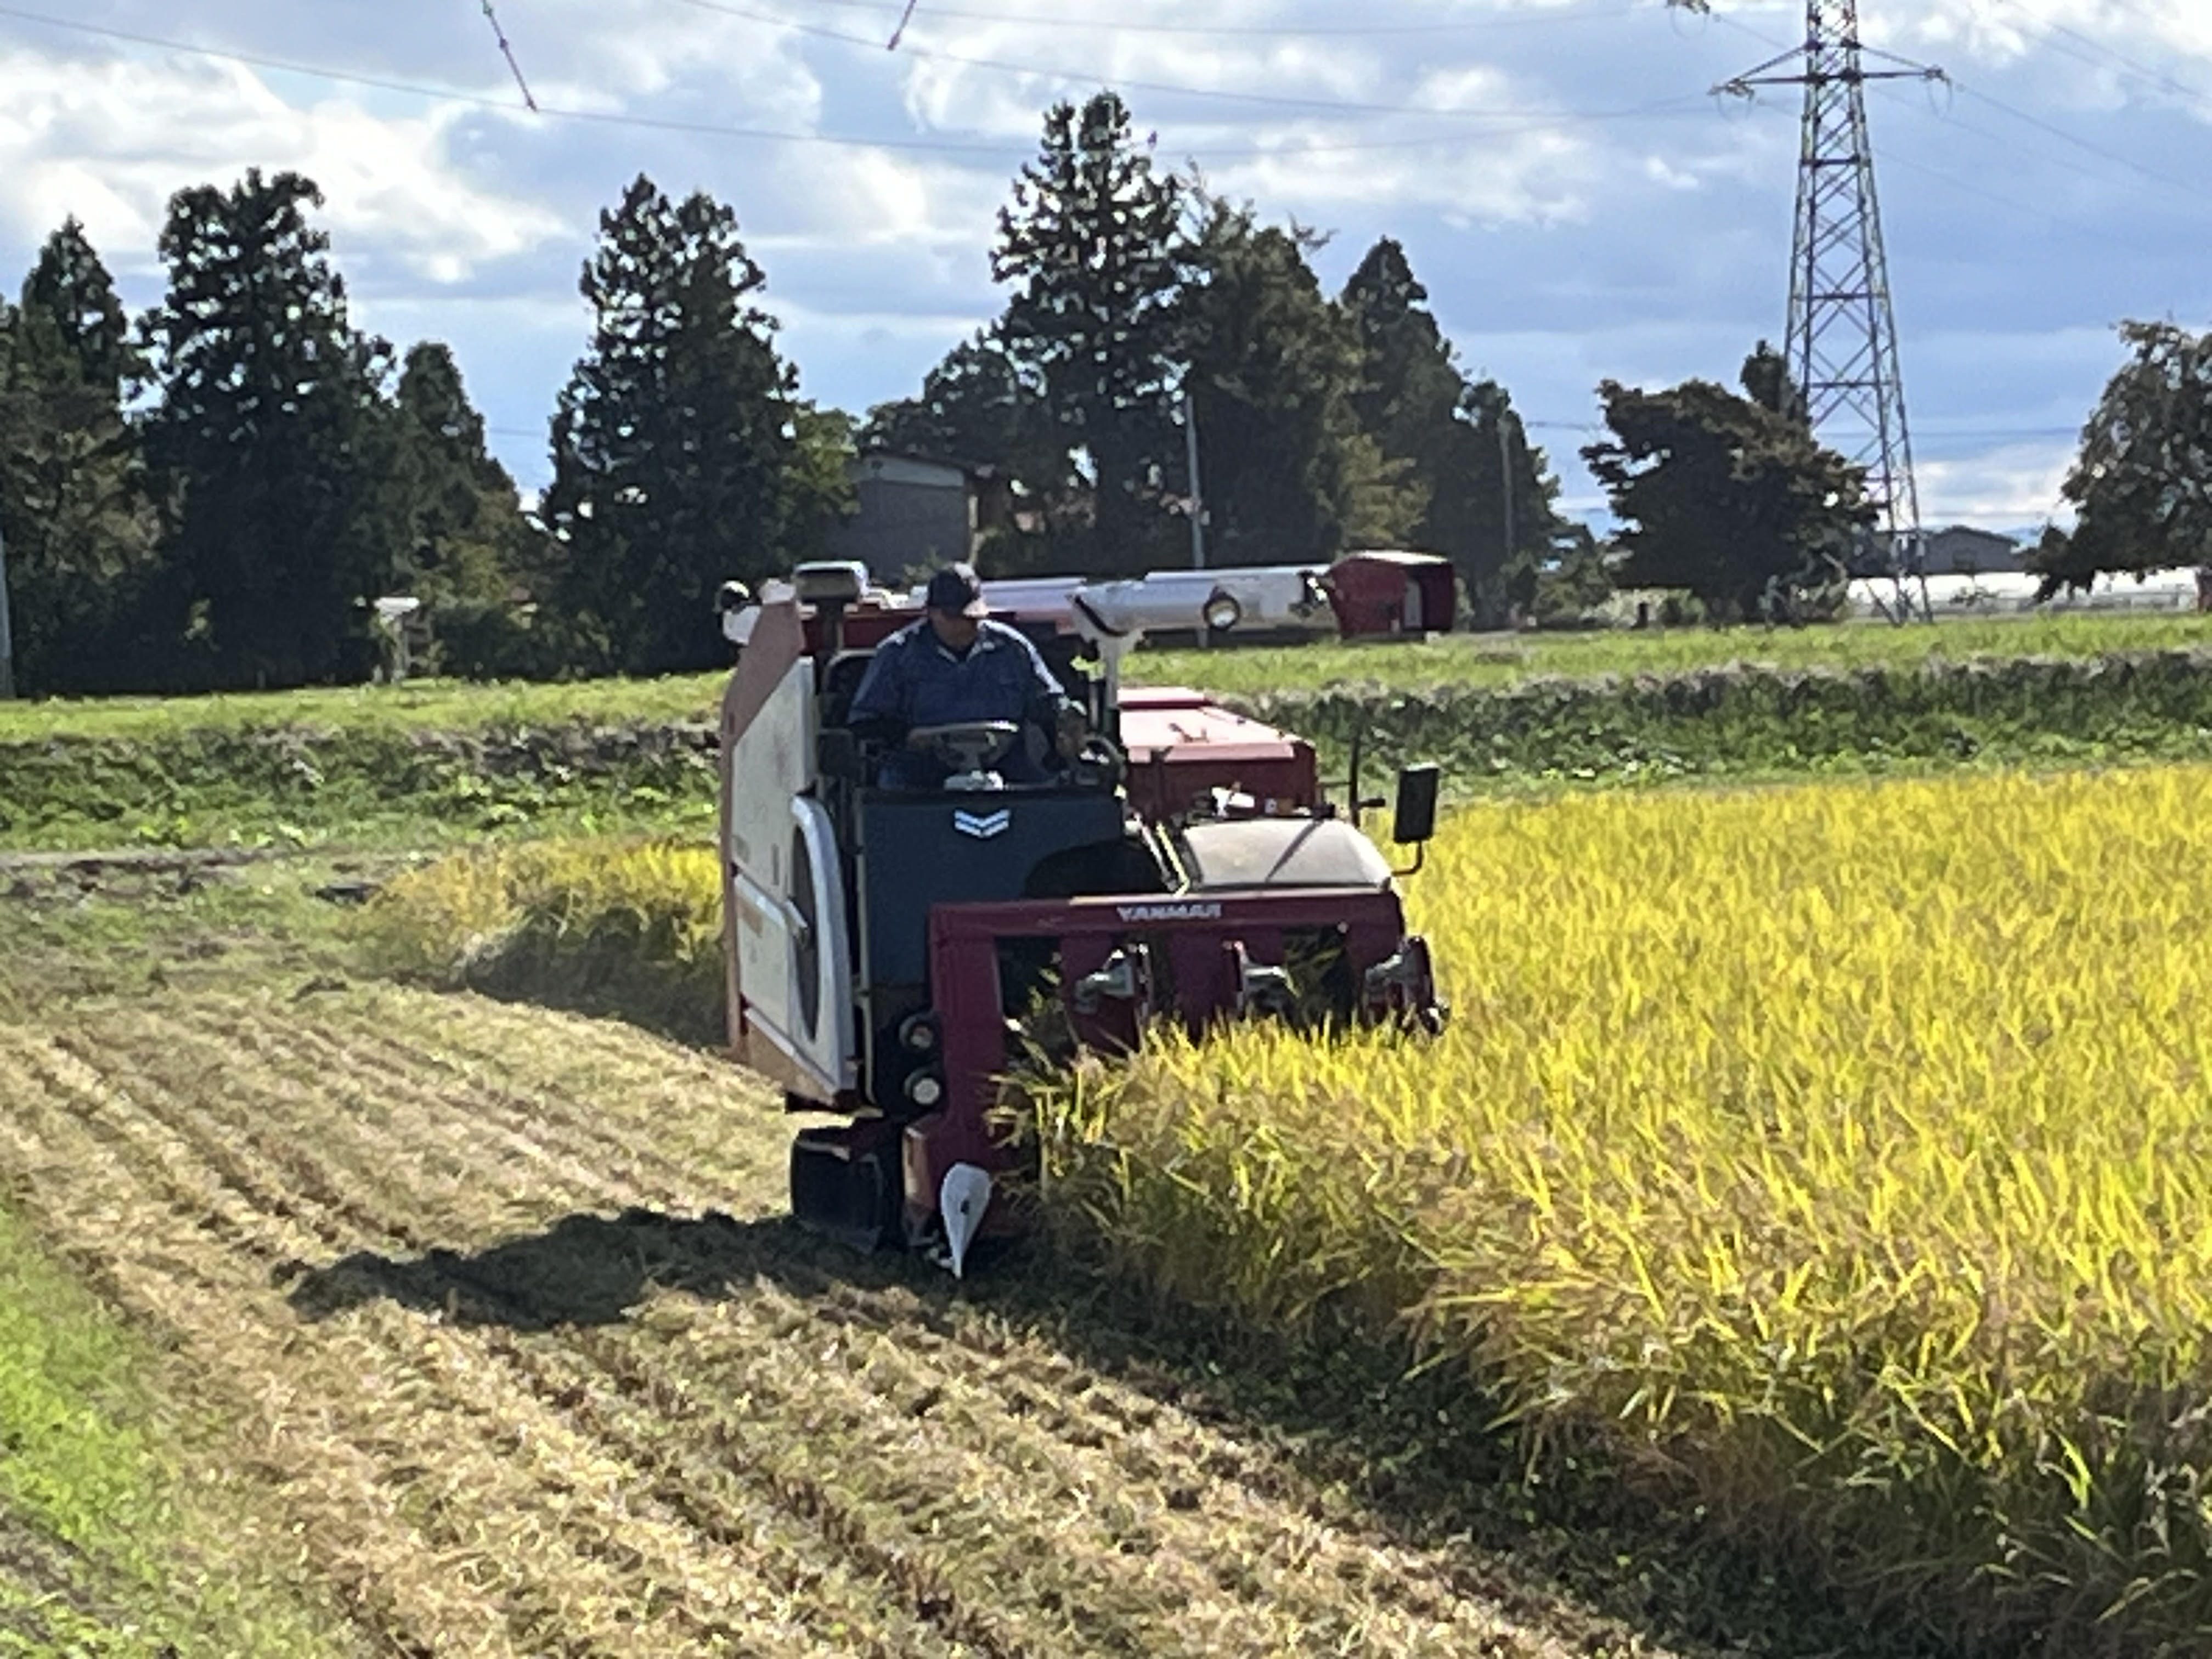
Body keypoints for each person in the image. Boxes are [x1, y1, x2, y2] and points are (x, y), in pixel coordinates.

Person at [846, 563, 1084, 788]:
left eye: (972, 617)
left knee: (1052, 790)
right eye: (955, 617)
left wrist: (1066, 716)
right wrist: (905, 737)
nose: (965, 625)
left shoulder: (1013, 649)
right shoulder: (897, 655)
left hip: (1006, 765)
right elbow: (867, 721)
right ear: (932, 613)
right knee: (891, 791)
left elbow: (1049, 700)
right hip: (919, 771)